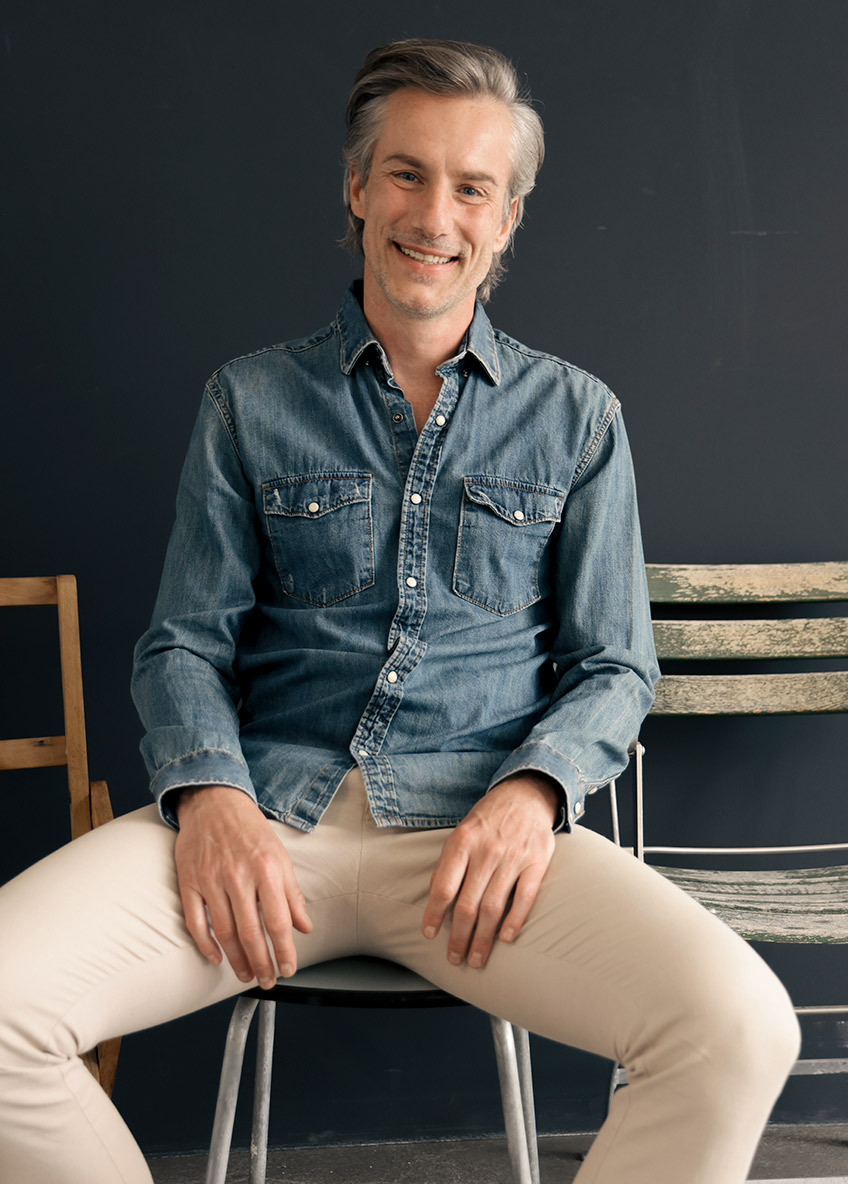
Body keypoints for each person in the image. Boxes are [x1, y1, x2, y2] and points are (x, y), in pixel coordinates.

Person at [0, 38, 799, 1184]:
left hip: (477, 844)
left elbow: (614, 665)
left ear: (507, 217)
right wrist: (210, 794)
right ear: (356, 188)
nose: (434, 214)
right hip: (264, 825)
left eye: (471, 187)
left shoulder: (575, 417)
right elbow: (180, 642)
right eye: (407, 174)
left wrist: (531, 794)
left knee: (740, 1026)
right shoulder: (249, 399)